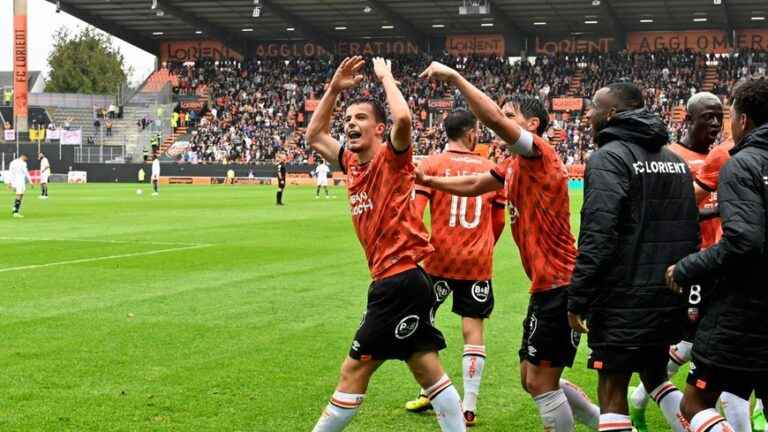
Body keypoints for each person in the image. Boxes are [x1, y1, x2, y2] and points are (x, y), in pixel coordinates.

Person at [418, 61, 599, 431]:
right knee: (530, 379)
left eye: (511, 114)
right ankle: (604, 423)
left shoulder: (539, 155)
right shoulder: (514, 163)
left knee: (540, 383)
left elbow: (495, 123)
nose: (502, 119)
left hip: (561, 283)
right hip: (546, 284)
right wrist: (430, 180)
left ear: (531, 125)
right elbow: (473, 185)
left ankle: (605, 423)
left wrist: (455, 78)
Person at [305, 56, 465, 432]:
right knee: (427, 368)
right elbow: (314, 135)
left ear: (379, 129)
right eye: (348, 120)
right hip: (404, 282)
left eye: (360, 119)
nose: (350, 125)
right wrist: (332, 90)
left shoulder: (392, 160)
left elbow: (405, 120)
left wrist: (386, 76)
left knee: (353, 370)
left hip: (397, 281)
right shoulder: (351, 163)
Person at [568, 82, 700, 432]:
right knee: (655, 374)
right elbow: (690, 231)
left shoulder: (607, 157)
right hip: (666, 296)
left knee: (612, 387)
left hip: (622, 298)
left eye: (593, 107)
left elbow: (598, 234)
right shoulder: (674, 160)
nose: (588, 114)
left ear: (610, 114)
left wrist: (578, 298)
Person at [667, 78, 768, 432]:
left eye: (723, 117)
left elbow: (744, 241)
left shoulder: (736, 161)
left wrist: (686, 267)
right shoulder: (681, 156)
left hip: (738, 299)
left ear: (741, 120)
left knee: (694, 399)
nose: (717, 125)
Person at [628, 91, 733, 430]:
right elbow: (660, 210)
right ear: (687, 118)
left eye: (720, 116)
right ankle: (646, 395)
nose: (715, 124)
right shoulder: (670, 156)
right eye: (707, 117)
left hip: (721, 262)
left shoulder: (728, 156)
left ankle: (658, 396)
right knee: (688, 346)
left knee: (715, 347)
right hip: (684, 265)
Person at [404, 109, 506, 427]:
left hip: (438, 258)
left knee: (424, 321)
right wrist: (486, 245)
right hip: (477, 261)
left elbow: (415, 213)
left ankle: (431, 390)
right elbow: (499, 220)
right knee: (472, 329)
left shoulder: (431, 165)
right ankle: (470, 406)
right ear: (471, 133)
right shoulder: (492, 169)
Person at [7, 154, 32, 218]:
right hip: (20, 181)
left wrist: (9, 182)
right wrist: (30, 181)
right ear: (23, 156)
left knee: (20, 195)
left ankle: (15, 209)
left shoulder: (13, 162)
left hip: (15, 180)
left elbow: (10, 172)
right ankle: (15, 212)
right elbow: (26, 172)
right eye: (26, 158)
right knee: (19, 195)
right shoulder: (23, 163)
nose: (26, 159)